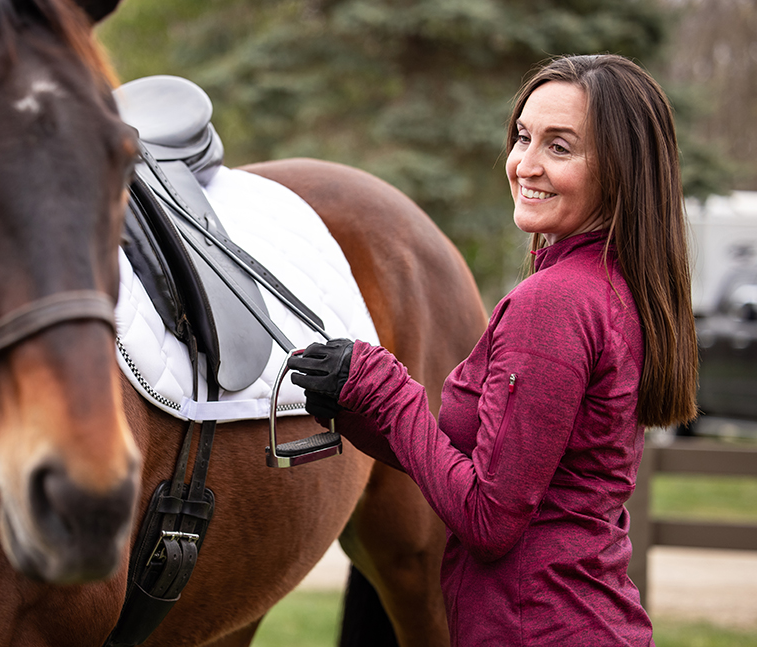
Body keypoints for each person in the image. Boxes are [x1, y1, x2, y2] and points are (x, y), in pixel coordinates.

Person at [288, 54, 698, 646]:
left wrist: (386, 386)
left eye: (559, 147)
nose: (524, 165)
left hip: (535, 627)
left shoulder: (555, 303)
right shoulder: (614, 283)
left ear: (619, 170)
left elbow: (489, 518)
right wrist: (356, 404)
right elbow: (481, 467)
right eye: (523, 137)